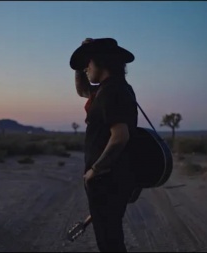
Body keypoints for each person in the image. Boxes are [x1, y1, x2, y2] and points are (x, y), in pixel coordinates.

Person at [70, 38, 138, 252]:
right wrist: (81, 63)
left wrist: (95, 171)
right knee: (110, 238)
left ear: (102, 62)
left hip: (107, 179)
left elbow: (120, 137)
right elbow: (82, 90)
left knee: (110, 243)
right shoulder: (111, 89)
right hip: (112, 179)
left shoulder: (111, 92)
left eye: (88, 63)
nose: (86, 68)